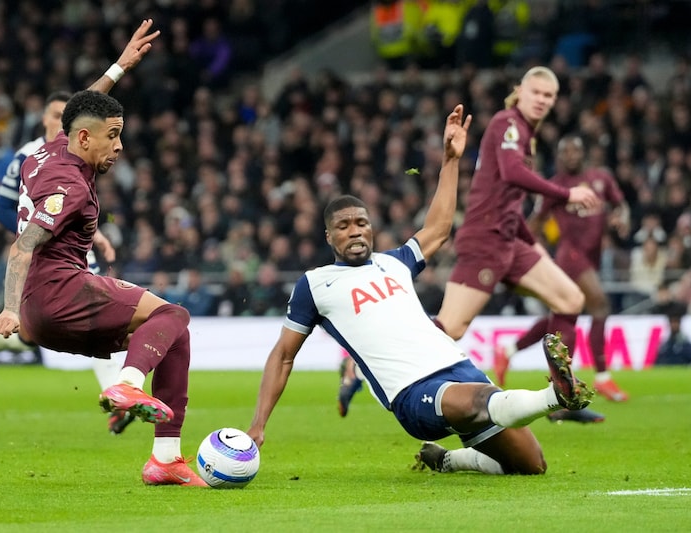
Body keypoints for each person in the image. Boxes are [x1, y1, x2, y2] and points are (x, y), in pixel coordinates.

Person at [247, 105, 594, 477]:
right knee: (481, 401)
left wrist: (450, 160)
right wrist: (258, 424)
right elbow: (283, 356)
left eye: (361, 223)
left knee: (530, 466)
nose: (355, 231)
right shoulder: (315, 284)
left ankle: (446, 459)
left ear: (371, 228)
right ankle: (557, 395)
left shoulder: (394, 262)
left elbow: (440, 227)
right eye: (344, 226)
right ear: (329, 236)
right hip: (413, 392)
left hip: (459, 367)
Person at [0, 19, 158, 436]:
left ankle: (119, 396)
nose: (55, 120)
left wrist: (119, 68)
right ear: (45, 120)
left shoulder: (71, 146)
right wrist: (38, 234)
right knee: (37, 330)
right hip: (38, 250)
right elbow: (5, 210)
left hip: (69, 247)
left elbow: (89, 107)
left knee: (60, 327)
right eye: (50, 114)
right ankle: (121, 391)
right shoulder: (31, 154)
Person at [0, 88, 207, 487]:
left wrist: (120, 67)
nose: (120, 145)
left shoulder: (46, 152)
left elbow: (81, 109)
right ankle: (126, 385)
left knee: (174, 336)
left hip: (40, 313)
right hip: (60, 293)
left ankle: (165, 460)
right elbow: (22, 246)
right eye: (113, 135)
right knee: (173, 313)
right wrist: (8, 308)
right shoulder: (68, 187)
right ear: (85, 138)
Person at [435, 66, 601, 373]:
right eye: (535, 92)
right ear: (519, 91)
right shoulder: (507, 123)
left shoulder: (526, 133)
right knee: (451, 328)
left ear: (554, 100)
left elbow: (509, 198)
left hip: (508, 239)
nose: (541, 99)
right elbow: (513, 172)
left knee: (569, 299)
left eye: (548, 95)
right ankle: (365, 360)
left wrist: (530, 242)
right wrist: (567, 194)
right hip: (486, 238)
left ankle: (562, 396)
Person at [494, 134, 629, 424]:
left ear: (584, 153)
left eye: (575, 149)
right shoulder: (554, 187)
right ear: (558, 156)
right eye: (564, 150)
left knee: (562, 316)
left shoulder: (601, 179)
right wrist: (535, 254)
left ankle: (510, 352)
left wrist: (621, 217)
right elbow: (533, 224)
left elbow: (621, 205)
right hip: (570, 256)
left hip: (590, 257)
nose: (570, 155)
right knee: (600, 306)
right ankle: (602, 375)